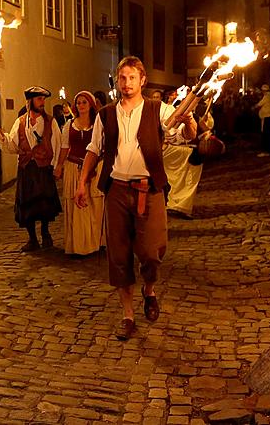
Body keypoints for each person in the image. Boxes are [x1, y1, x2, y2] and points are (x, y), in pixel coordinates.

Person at [75, 56, 196, 341]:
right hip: (116, 190)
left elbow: (187, 136)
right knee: (118, 255)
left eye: (132, 78)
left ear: (142, 80)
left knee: (153, 252)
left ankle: (149, 289)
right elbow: (94, 149)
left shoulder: (161, 109)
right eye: (122, 78)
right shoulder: (105, 114)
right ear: (117, 82)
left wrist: (189, 118)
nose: (127, 83)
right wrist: (83, 182)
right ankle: (128, 315)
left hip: (149, 190)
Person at [0, 86, 62, 252]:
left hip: (44, 168)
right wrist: (1, 138)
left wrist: (56, 166)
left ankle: (46, 233)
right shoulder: (20, 122)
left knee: (45, 204)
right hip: (26, 168)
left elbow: (58, 144)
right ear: (30, 101)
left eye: (43, 99)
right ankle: (32, 239)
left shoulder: (51, 121)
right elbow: (12, 146)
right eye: (39, 99)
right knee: (27, 206)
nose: (42, 102)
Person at [54, 91, 104, 256]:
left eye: (84, 102)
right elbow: (64, 147)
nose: (81, 105)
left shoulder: (98, 123)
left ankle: (97, 242)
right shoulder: (69, 125)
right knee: (77, 206)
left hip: (94, 168)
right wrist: (59, 165)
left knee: (95, 204)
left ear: (90, 105)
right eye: (79, 103)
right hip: (74, 167)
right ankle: (79, 245)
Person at [255, 84, 270, 156]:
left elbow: (259, 104)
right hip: (266, 118)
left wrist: (254, 107)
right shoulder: (267, 96)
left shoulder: (267, 96)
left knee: (266, 135)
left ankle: (267, 151)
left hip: (267, 118)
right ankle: (267, 151)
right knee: (266, 134)